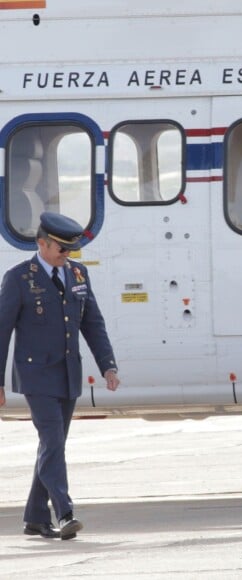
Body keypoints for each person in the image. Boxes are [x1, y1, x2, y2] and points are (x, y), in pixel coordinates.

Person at [0, 212, 120, 540]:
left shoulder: (78, 275)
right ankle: (64, 512)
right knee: (52, 441)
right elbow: (2, 331)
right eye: (62, 249)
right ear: (42, 243)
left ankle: (35, 518)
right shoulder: (19, 278)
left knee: (52, 445)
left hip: (68, 374)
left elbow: (92, 323)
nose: (68, 255)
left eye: (71, 250)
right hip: (35, 375)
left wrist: (107, 365)